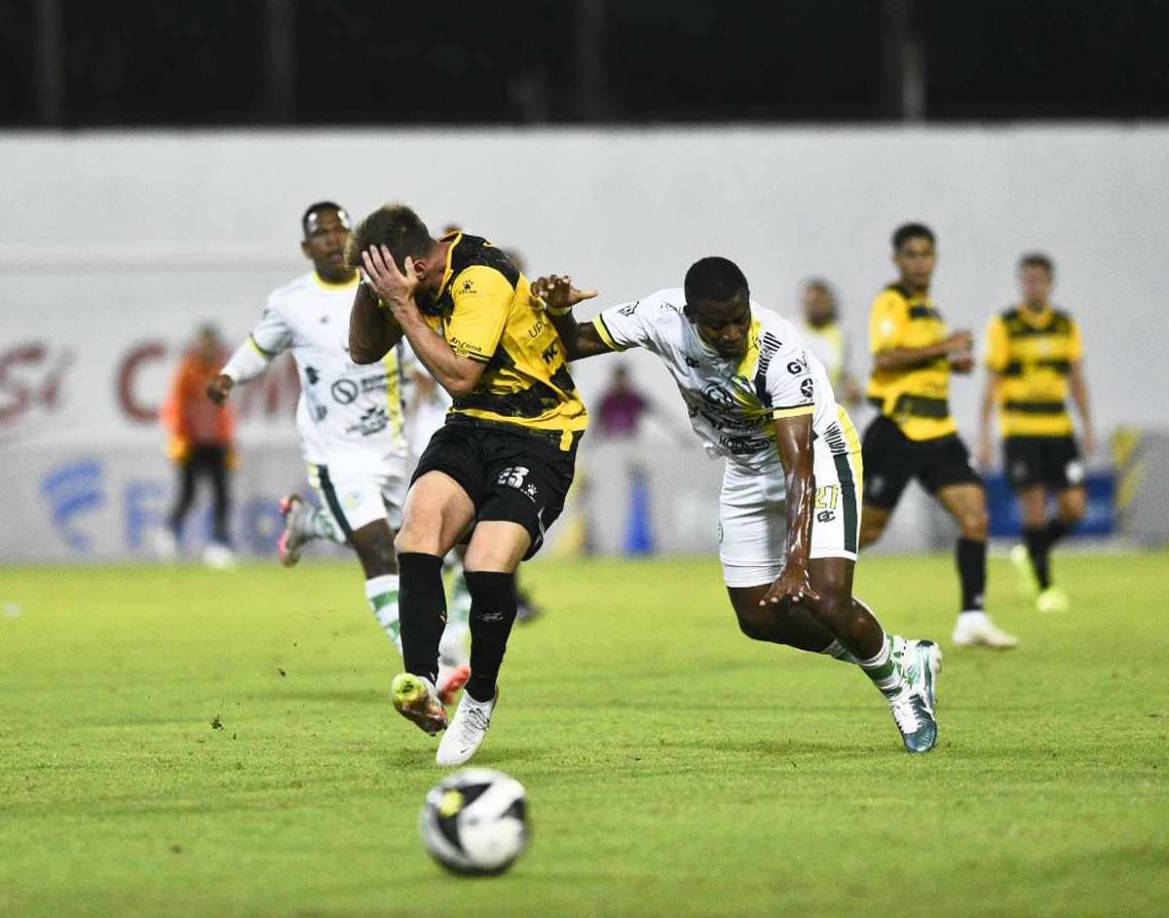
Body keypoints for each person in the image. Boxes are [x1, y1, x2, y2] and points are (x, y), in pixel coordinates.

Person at [534, 258, 942, 754]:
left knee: (825, 597)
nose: (731, 333)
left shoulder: (779, 352)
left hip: (818, 455)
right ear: (690, 316)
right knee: (758, 618)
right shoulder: (659, 317)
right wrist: (559, 313)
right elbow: (575, 343)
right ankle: (900, 655)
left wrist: (796, 562)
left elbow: (799, 468)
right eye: (717, 325)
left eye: (739, 319)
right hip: (746, 469)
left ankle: (900, 691)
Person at [349, 204, 588, 766]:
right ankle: (423, 683)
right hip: (471, 427)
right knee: (417, 534)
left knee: (485, 563)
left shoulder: (482, 276)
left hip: (539, 433)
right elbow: (362, 350)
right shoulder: (410, 279)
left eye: (383, 275)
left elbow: (460, 375)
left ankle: (479, 696)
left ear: (412, 265)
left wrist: (401, 305)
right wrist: (369, 286)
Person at [206, 201, 470, 701]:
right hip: (335, 453)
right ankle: (426, 669)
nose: (332, 238)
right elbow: (260, 347)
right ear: (306, 247)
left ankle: (309, 523)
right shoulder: (291, 302)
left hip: (391, 448)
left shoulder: (386, 288)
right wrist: (228, 376)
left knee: (412, 545)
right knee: (377, 550)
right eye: (321, 233)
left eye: (339, 229)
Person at [860, 223, 1018, 649]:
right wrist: (945, 348)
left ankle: (972, 617)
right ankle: (804, 578)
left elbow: (920, 361)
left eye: (926, 254)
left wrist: (951, 364)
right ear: (896, 260)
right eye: (911, 254)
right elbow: (887, 358)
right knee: (867, 531)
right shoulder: (891, 302)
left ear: (936, 258)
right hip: (898, 428)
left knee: (975, 517)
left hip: (939, 431)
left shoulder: (930, 311)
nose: (920, 262)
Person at [978, 253, 1094, 612]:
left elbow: (1076, 379)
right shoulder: (1005, 325)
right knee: (1036, 504)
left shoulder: (1065, 325)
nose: (1032, 286)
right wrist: (984, 434)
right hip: (1020, 429)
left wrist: (1087, 426)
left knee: (1074, 508)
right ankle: (1045, 587)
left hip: (1059, 428)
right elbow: (991, 381)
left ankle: (1031, 552)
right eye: (1026, 280)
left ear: (1050, 284)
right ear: (1020, 283)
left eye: (1039, 280)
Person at [159, 323, 236, 568]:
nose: (208, 349)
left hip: (216, 443)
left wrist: (228, 441)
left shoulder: (221, 373)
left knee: (222, 496)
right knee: (188, 494)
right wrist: (179, 436)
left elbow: (224, 412)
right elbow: (176, 407)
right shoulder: (187, 373)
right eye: (205, 344)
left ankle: (219, 544)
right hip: (191, 444)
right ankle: (170, 531)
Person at [799, 278, 862, 408]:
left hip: (830, 409)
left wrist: (852, 388)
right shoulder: (791, 331)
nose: (815, 307)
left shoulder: (841, 334)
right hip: (798, 408)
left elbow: (845, 372)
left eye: (819, 302)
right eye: (811, 303)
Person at [596, 365, 651, 438]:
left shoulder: (634, 398)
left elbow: (655, 413)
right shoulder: (607, 400)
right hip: (611, 440)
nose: (620, 382)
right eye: (618, 379)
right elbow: (596, 421)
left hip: (630, 439)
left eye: (623, 379)